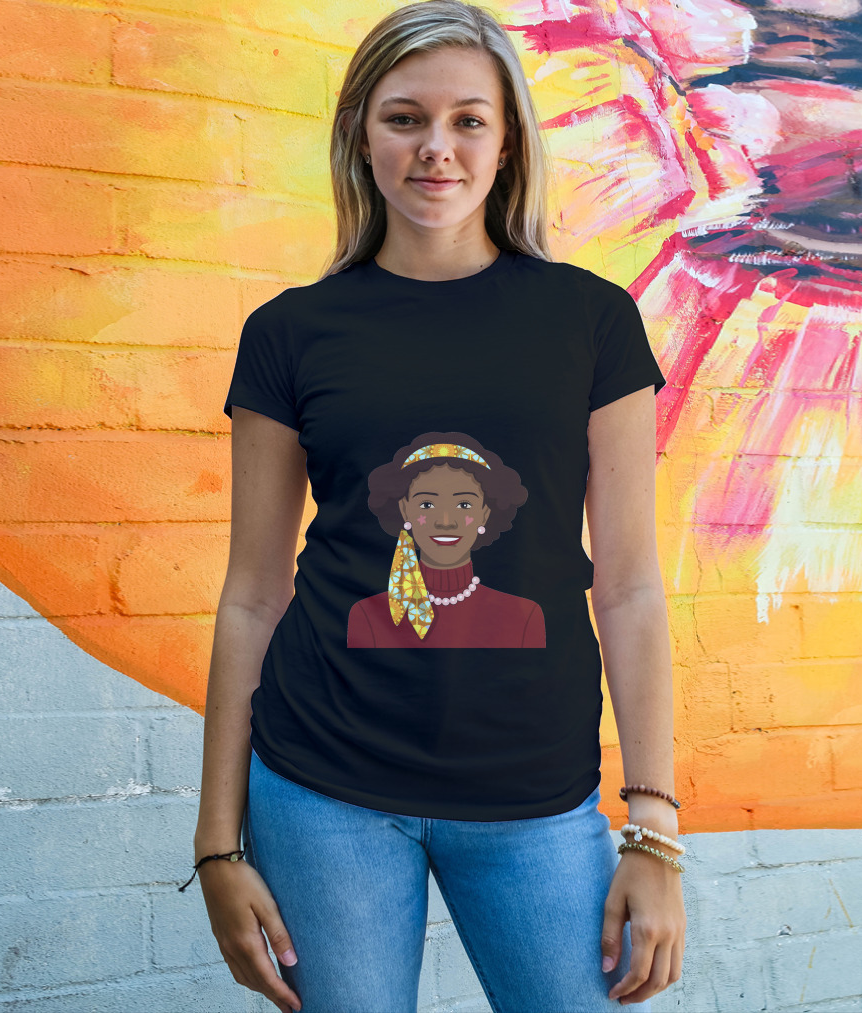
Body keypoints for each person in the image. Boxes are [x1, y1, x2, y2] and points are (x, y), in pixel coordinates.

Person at [188, 2, 687, 1010]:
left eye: (469, 120)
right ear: (360, 136)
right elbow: (252, 595)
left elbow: (630, 586)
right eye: (405, 118)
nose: (436, 148)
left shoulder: (592, 321)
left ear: (507, 145)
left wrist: (654, 827)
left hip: (537, 794)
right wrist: (216, 844)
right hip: (320, 786)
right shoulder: (289, 333)